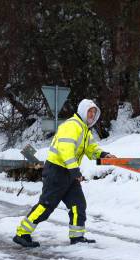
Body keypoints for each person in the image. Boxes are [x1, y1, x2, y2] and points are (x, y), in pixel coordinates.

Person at [13, 99, 116, 248]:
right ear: (82, 111)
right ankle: (22, 233)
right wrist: (75, 170)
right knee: (46, 206)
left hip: (69, 173)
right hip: (57, 171)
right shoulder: (71, 125)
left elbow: (92, 149)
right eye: (90, 112)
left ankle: (77, 237)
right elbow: (65, 150)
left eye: (94, 113)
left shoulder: (85, 130)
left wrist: (104, 155)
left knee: (78, 204)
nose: (92, 115)